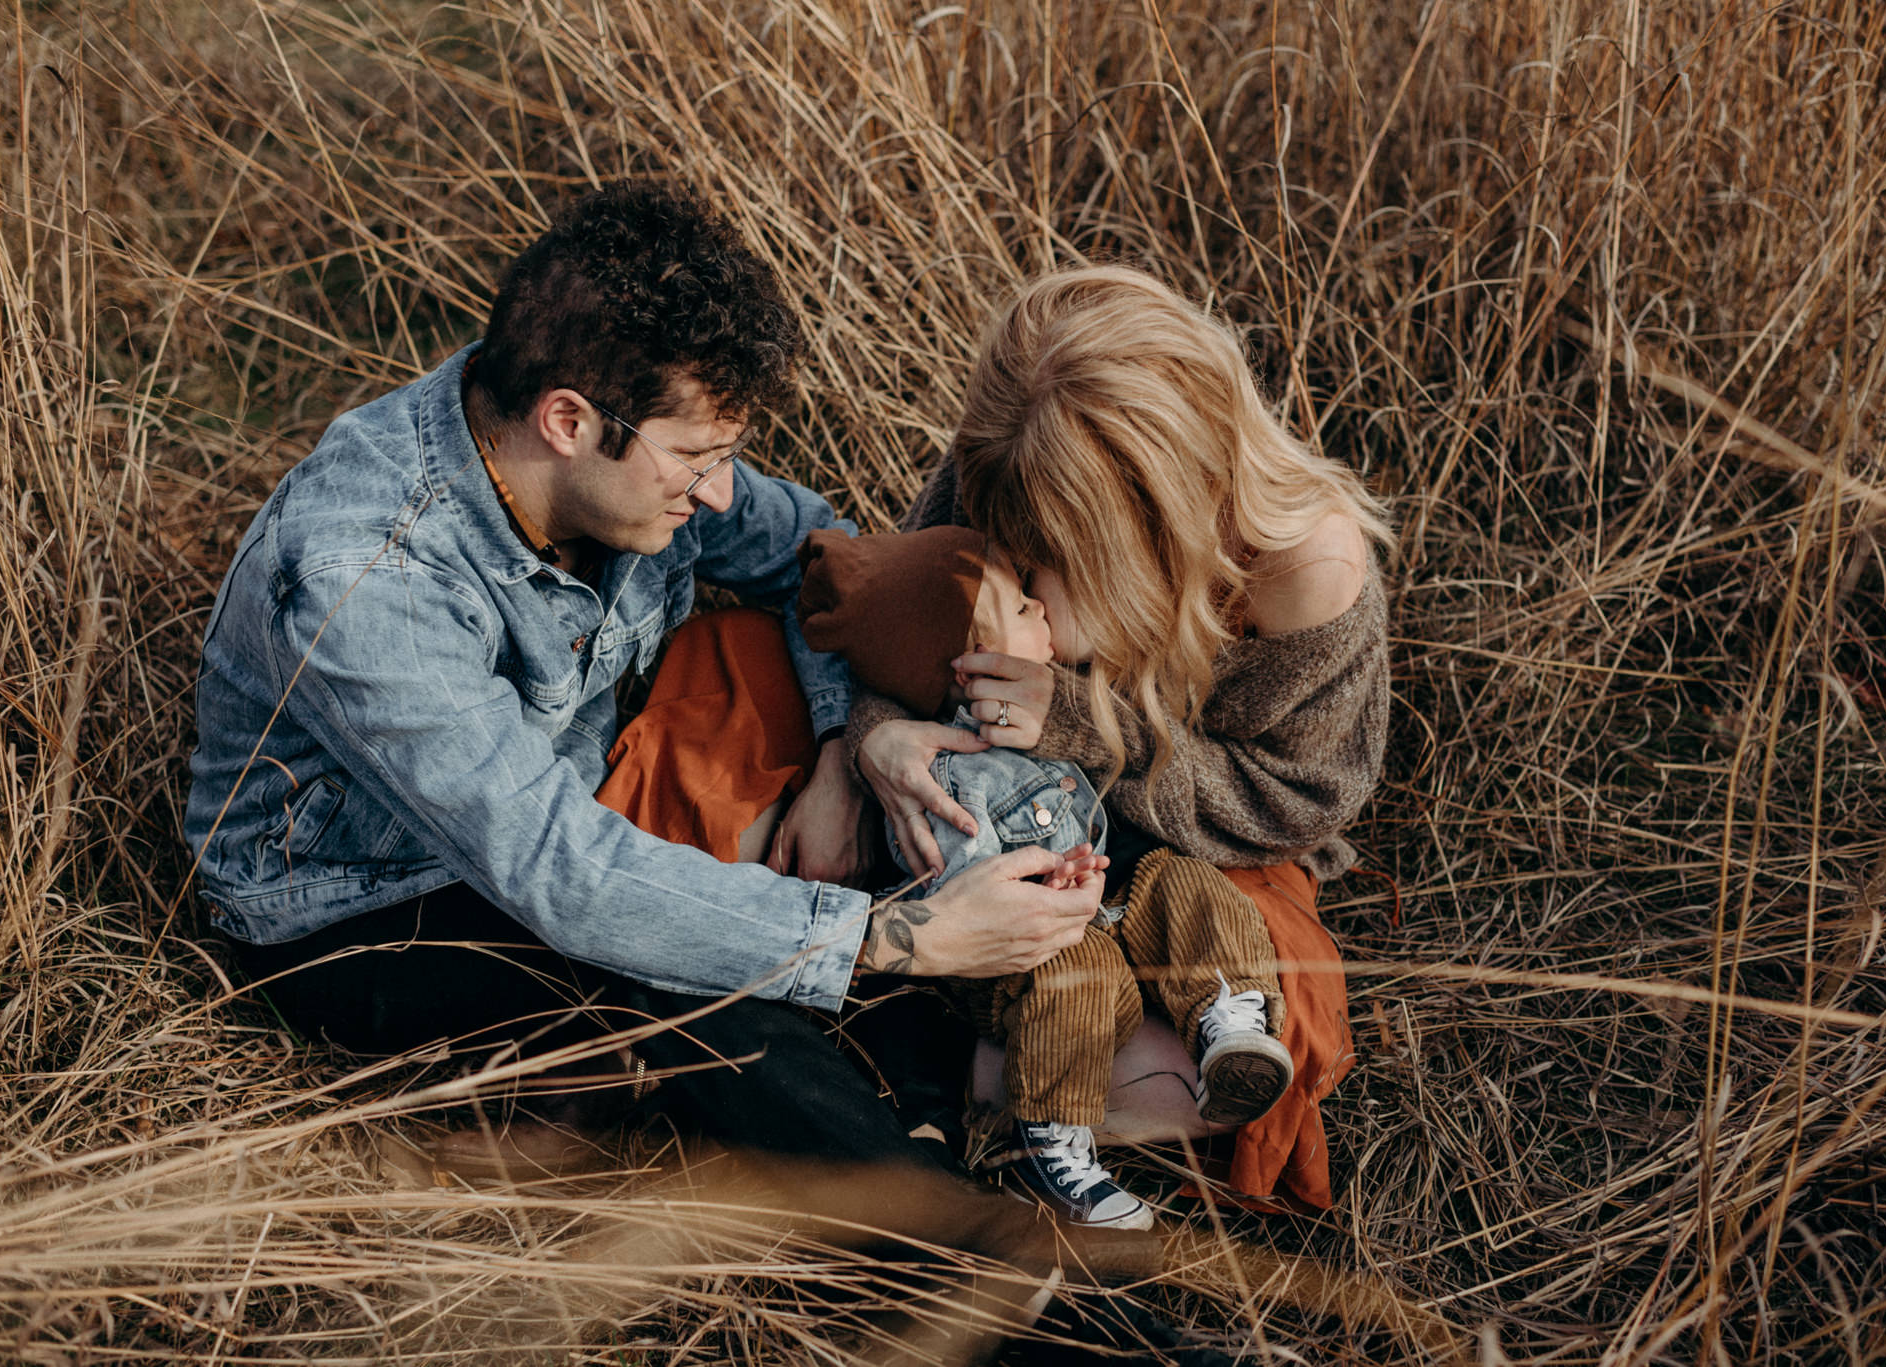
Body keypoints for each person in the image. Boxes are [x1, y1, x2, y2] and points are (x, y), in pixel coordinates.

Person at [181, 181, 1104, 1172]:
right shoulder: (367, 574)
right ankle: (953, 1244)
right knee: (654, 980)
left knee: (869, 787)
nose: (717, 491)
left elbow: (821, 562)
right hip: (363, 904)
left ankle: (942, 1098)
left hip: (581, 809)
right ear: (569, 421)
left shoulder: (620, 461)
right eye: (696, 458)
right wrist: (893, 936)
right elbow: (561, 873)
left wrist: (852, 746)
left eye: (727, 457)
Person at [848, 265, 1392, 1209]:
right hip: (993, 801)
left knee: (1257, 1047)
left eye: (1042, 563)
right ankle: (958, 1030)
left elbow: (1294, 805)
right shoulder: (1016, 454)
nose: (1010, 569)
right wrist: (866, 738)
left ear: (1150, 536)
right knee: (742, 771)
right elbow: (898, 621)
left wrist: (1083, 724)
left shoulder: (1306, 567)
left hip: (1203, 855)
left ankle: (939, 1056)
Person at [795, 525, 1294, 1230]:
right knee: (1076, 975)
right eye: (1022, 607)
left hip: (1101, 888)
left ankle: (1231, 1016)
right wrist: (1048, 888)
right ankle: (1055, 1144)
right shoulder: (941, 775)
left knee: (1182, 882)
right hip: (1027, 941)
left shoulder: (1046, 700)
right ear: (972, 664)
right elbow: (963, 886)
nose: (1040, 609)